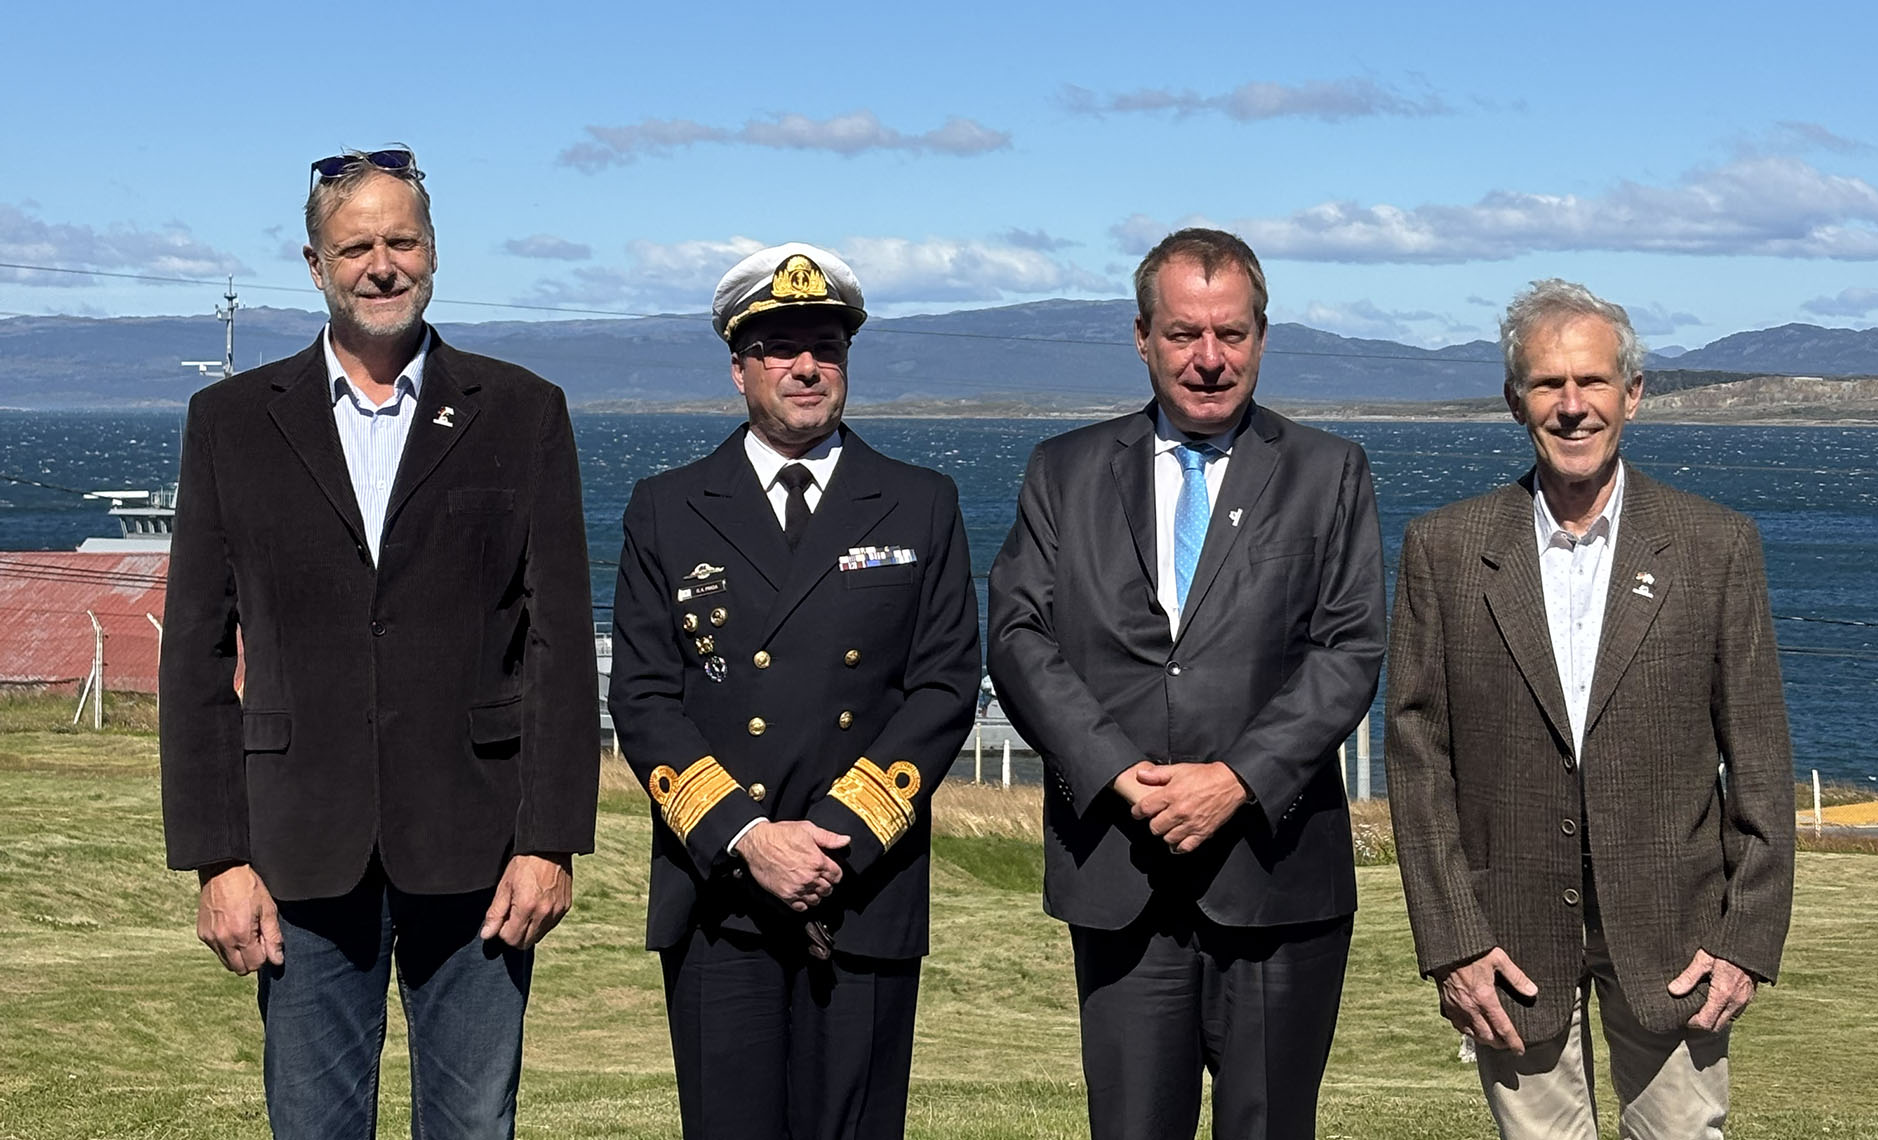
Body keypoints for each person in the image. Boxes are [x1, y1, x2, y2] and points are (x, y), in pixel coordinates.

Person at [159, 147, 600, 1139]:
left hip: (481, 851)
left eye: (402, 241)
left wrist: (550, 842)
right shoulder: (230, 423)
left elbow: (560, 648)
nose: (382, 265)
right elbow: (194, 657)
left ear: (434, 252)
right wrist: (217, 859)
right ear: (314, 265)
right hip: (297, 855)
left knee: (473, 1125)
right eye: (356, 247)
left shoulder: (523, 412)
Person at [987, 227, 1386, 1140]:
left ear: (1262, 338)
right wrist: (1117, 773)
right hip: (1120, 875)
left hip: (1277, 880)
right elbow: (1016, 637)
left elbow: (1350, 648)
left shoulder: (1329, 472)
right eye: (1184, 334)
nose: (1210, 358)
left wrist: (1237, 779)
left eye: (1231, 334)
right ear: (1142, 338)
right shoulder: (1064, 471)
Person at [1385, 278, 1794, 1139]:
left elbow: (1759, 756)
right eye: (1548, 384)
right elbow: (1418, 760)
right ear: (1515, 401)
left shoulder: (1716, 546)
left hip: (1680, 940)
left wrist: (1747, 941)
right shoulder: (1444, 550)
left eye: (1593, 381)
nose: (1572, 406)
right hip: (1508, 944)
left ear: (1632, 394)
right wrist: (1453, 941)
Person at [607, 242, 979, 1140]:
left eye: (827, 347)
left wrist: (835, 841)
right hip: (721, 893)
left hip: (864, 886)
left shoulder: (920, 502)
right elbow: (645, 699)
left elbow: (943, 686)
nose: (806, 366)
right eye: (779, 348)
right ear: (738, 369)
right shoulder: (667, 507)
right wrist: (750, 838)